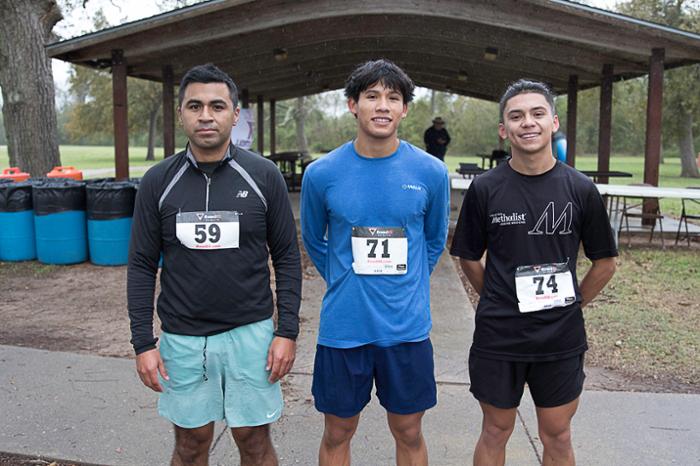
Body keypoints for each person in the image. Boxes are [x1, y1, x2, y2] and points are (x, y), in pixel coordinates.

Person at [127, 63, 301, 466]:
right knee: (190, 446)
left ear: (234, 114)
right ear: (182, 113)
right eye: (195, 106)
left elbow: (287, 257)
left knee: (253, 443)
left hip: (251, 335)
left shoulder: (264, 175)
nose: (206, 115)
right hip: (183, 339)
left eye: (217, 106)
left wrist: (286, 331)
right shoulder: (158, 180)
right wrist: (143, 343)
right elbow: (140, 264)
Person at [450, 79, 617, 466]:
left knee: (557, 434)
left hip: (560, 337)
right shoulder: (485, 189)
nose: (528, 122)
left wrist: (571, 304)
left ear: (554, 122)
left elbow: (605, 262)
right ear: (503, 129)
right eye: (517, 115)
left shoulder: (580, 188)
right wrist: (496, 296)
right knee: (495, 430)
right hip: (499, 335)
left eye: (537, 113)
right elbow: (469, 258)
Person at [301, 59, 450, 466]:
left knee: (409, 430)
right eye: (371, 96)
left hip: (406, 330)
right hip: (344, 329)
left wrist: (411, 280)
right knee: (337, 432)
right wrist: (342, 275)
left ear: (404, 109)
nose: (382, 105)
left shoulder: (430, 172)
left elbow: (435, 238)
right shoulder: (321, 173)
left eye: (392, 97)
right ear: (353, 105)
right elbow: (314, 238)